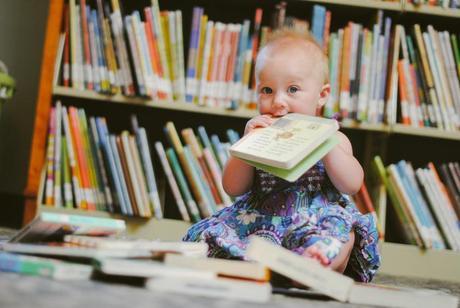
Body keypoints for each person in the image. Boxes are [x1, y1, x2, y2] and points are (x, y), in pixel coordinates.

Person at [183, 28, 380, 282]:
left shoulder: (335, 138)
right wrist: (245, 147)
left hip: (313, 220)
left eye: (293, 89)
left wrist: (327, 143)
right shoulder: (261, 134)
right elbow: (233, 187)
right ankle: (253, 265)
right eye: (267, 90)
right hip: (262, 220)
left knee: (343, 232)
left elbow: (351, 184)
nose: (278, 102)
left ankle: (314, 263)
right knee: (213, 234)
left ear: (321, 96)